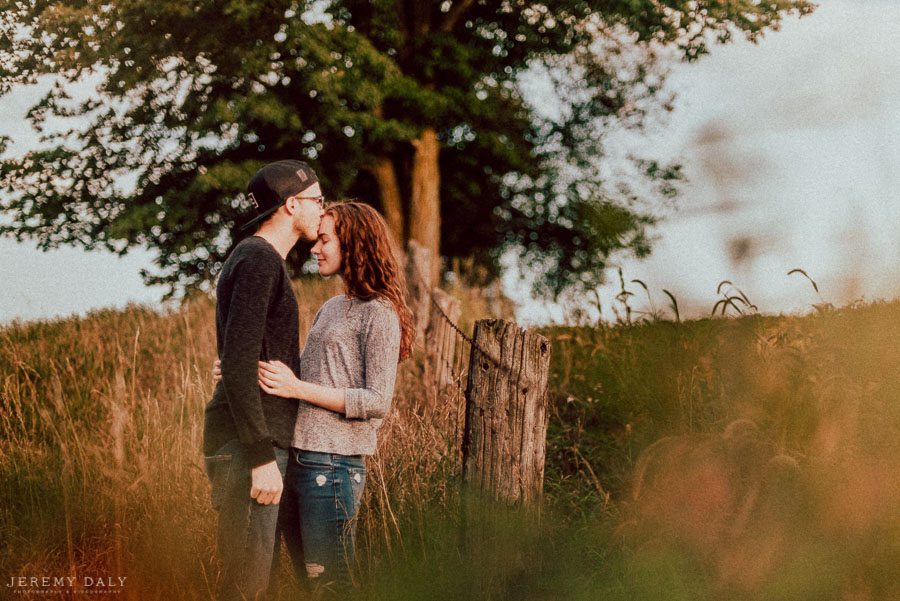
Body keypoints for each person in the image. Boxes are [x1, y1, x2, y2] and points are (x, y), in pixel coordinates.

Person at [215, 201, 414, 594]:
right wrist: (245, 369)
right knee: (308, 583)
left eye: (325, 240)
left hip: (335, 468)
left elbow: (377, 401)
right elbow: (304, 374)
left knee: (329, 583)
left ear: (355, 244)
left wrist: (297, 388)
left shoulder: (381, 313)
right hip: (298, 458)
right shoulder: (332, 307)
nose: (315, 248)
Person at [202, 159, 325, 601]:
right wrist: (259, 458)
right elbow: (237, 363)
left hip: (255, 443)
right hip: (247, 447)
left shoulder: (260, 259)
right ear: (292, 204)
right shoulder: (258, 259)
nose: (322, 210)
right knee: (246, 587)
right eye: (317, 201)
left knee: (260, 584)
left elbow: (240, 356)